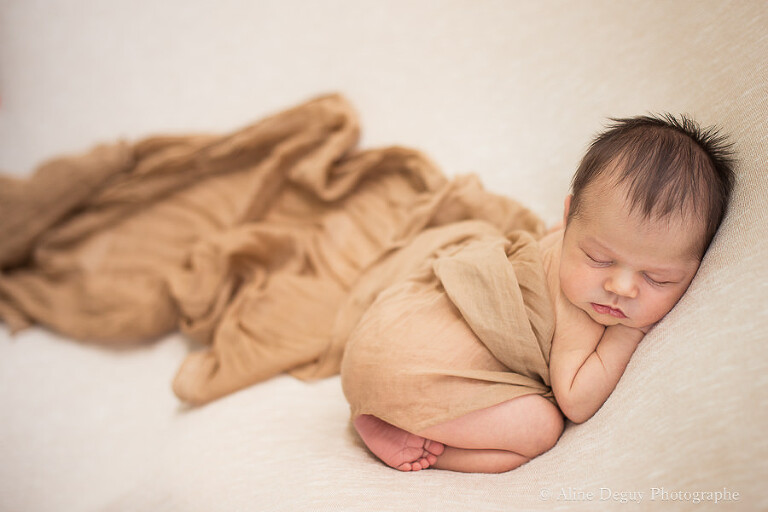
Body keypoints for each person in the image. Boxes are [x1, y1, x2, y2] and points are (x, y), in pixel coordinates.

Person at [349, 114, 735, 473]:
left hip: (382, 335)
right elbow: (576, 400)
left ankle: (394, 414)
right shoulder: (579, 309)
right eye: (599, 259)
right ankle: (418, 440)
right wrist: (629, 333)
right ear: (568, 218)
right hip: (409, 374)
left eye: (657, 278)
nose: (620, 288)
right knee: (541, 427)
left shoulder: (568, 242)